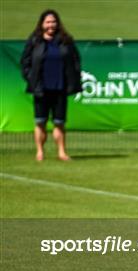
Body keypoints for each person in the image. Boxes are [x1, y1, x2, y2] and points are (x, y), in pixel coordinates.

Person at [20, 9, 82, 161]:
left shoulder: (66, 40)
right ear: (42, 24)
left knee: (59, 123)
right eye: (48, 22)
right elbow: (25, 62)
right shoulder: (35, 40)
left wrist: (72, 79)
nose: (51, 25)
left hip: (60, 88)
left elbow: (76, 61)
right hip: (41, 89)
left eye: (53, 22)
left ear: (58, 23)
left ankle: (62, 152)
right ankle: (40, 152)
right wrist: (32, 79)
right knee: (40, 122)